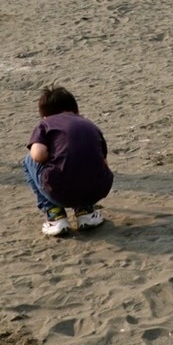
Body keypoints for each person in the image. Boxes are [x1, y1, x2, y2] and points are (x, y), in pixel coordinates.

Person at [23, 85, 113, 237]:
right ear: (76, 110)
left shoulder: (46, 124)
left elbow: (38, 155)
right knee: (83, 162)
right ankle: (86, 211)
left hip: (60, 190)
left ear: (45, 115)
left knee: (27, 160)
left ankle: (54, 215)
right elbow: (104, 162)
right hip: (97, 188)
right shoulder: (90, 125)